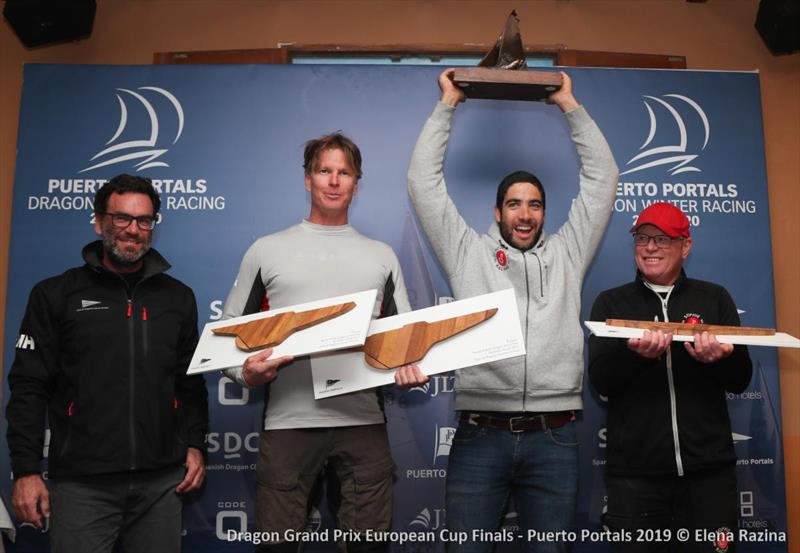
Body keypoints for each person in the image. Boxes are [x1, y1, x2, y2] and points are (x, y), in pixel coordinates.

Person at [406, 68, 618, 551]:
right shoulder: (467, 253)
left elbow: (603, 179)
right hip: (482, 436)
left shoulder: (568, 253)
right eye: (515, 204)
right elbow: (423, 183)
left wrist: (569, 103)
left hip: (555, 438)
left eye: (536, 205)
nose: (526, 214)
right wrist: (448, 104)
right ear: (497, 211)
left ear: (545, 212)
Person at [222, 132, 427, 553]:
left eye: (344, 173)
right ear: (307, 179)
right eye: (324, 171)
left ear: (356, 183)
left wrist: (409, 368)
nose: (334, 181)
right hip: (288, 423)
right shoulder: (266, 250)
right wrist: (243, 371)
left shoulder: (382, 255)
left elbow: (404, 338)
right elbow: (228, 331)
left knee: (369, 547)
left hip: (363, 426)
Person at [6, 174, 209, 553]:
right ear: (99, 222)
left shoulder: (178, 298)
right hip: (83, 487)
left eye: (144, 220)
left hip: (162, 486)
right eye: (122, 219)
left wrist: (196, 443)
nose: (133, 230)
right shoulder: (55, 295)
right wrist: (27, 470)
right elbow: (29, 387)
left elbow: (189, 382)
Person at [588, 202, 752, 553]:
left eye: (662, 239)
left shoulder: (714, 298)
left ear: (685, 246)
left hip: (708, 477)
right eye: (642, 238)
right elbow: (601, 381)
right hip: (635, 480)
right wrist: (639, 358)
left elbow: (740, 379)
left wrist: (718, 360)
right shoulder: (611, 304)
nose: (649, 247)